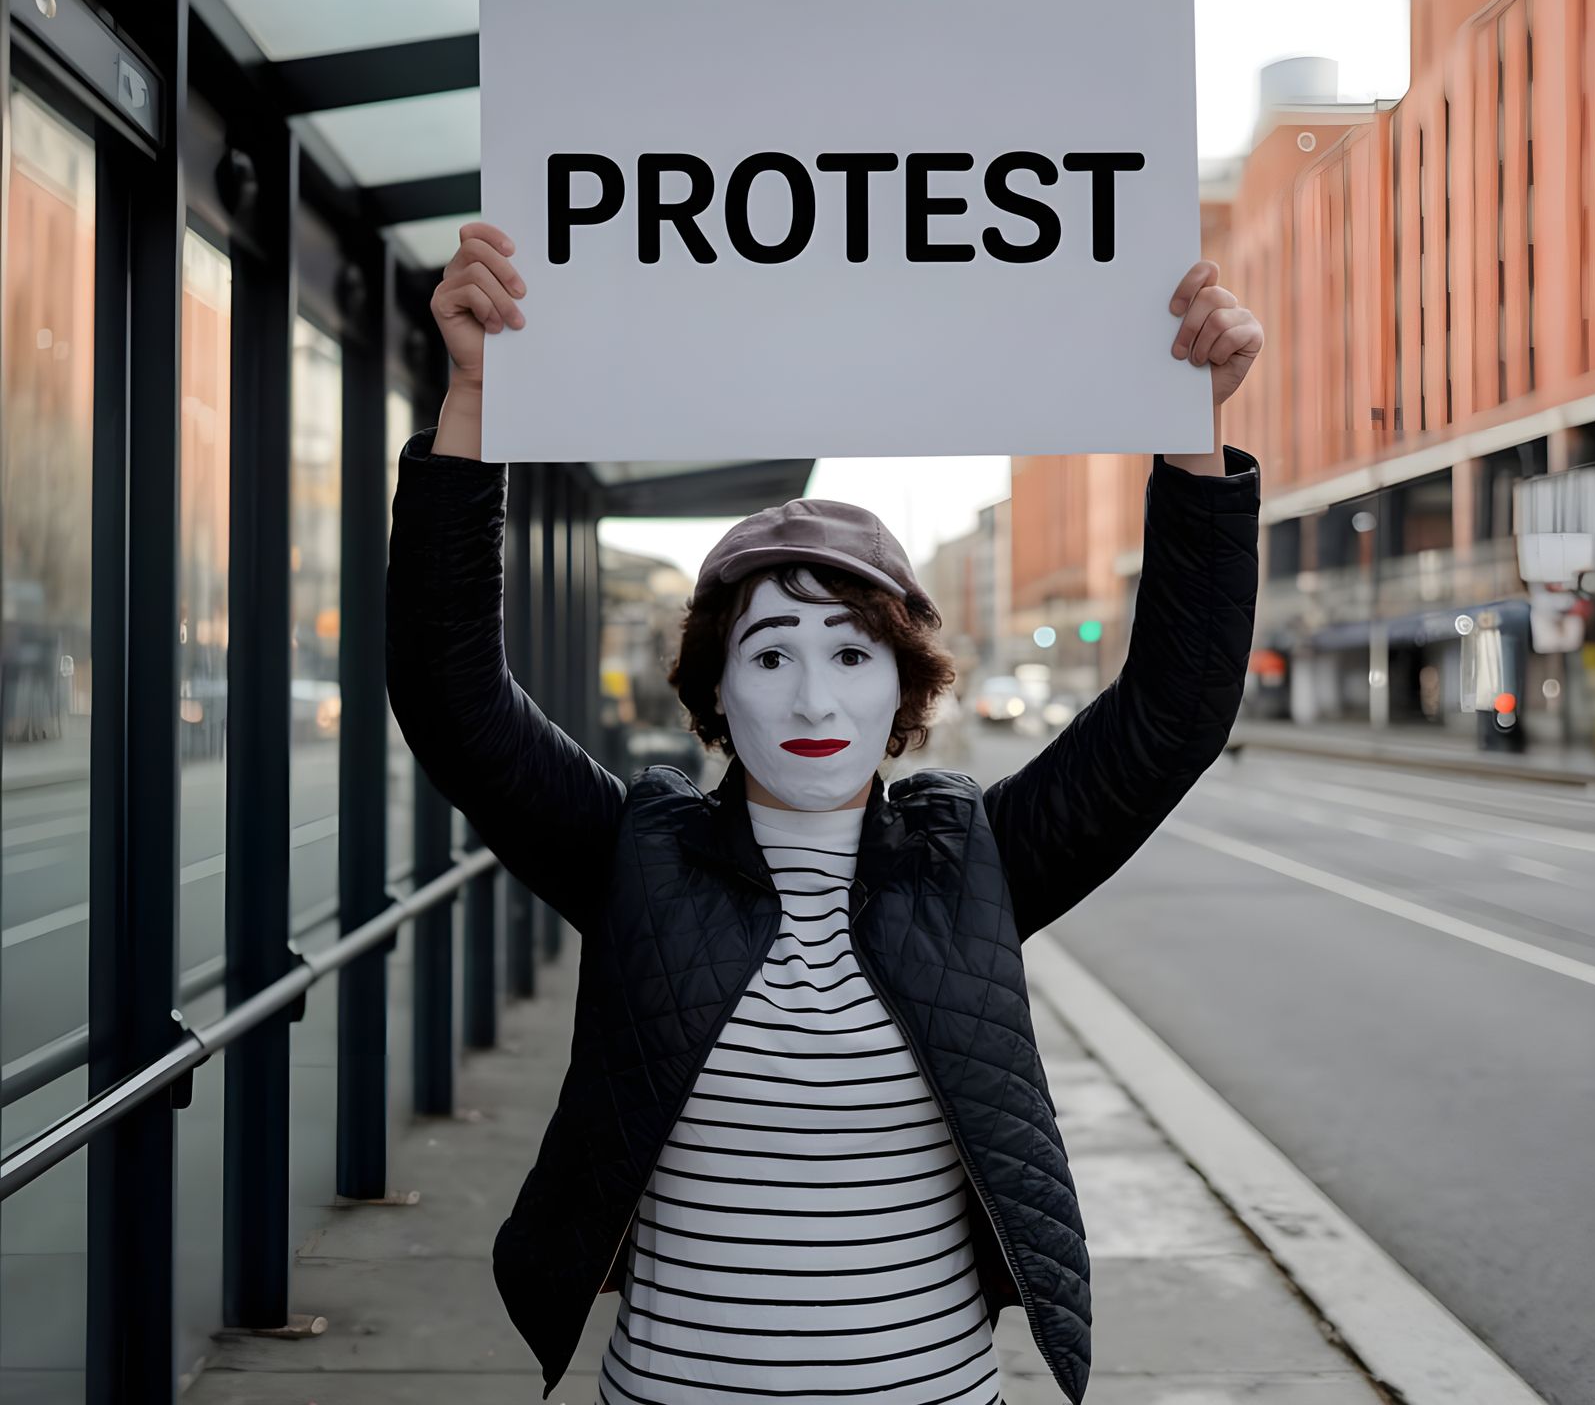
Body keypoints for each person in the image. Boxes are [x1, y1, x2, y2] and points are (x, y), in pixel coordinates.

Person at [386, 220, 1264, 1405]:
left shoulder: (974, 867)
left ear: (905, 690)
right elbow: (453, 700)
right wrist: (476, 406)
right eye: (768, 653)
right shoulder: (640, 860)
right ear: (712, 688)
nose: (810, 695)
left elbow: (1171, 713)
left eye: (853, 655)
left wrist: (1193, 437)